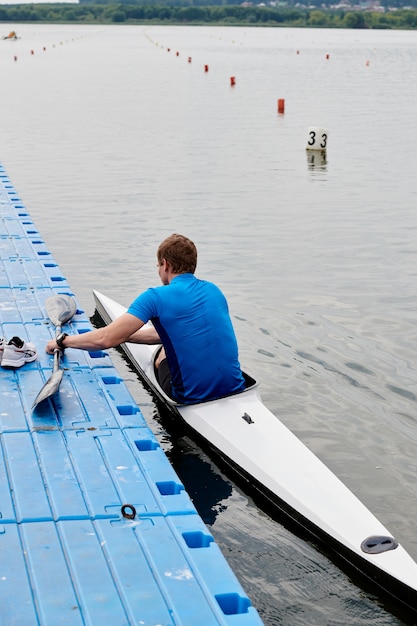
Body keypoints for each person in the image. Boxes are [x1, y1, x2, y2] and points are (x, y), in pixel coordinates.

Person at [46, 233, 246, 404]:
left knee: (164, 353)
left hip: (190, 398)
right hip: (236, 386)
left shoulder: (156, 297)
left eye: (158, 265)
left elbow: (105, 339)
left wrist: (63, 341)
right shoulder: (214, 290)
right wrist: (127, 335)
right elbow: (182, 332)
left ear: (165, 265)